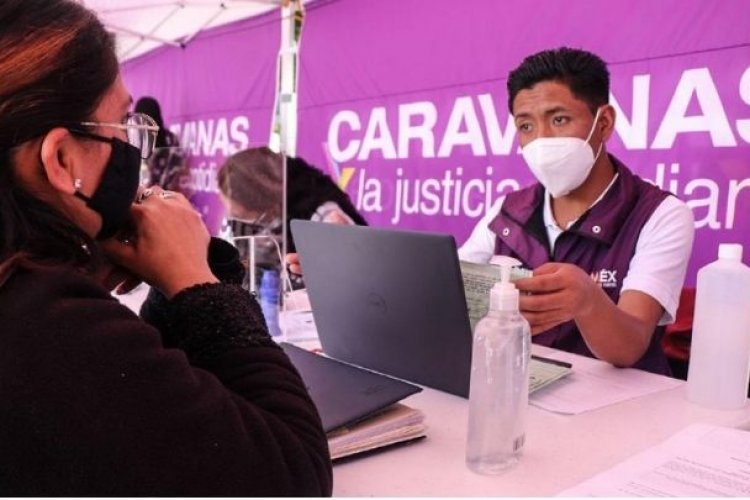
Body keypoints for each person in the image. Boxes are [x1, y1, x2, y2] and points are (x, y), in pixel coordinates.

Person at [0, 0, 332, 495]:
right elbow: (291, 474)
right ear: (61, 157)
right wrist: (194, 282)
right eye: (123, 125)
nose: (134, 147)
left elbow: (154, 410)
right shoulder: (42, 322)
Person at [458, 47, 694, 375]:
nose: (541, 140)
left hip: (620, 409)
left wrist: (587, 300)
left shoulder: (661, 214)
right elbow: (449, 291)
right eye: (526, 126)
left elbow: (630, 346)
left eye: (559, 119)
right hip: (519, 385)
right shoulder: (508, 212)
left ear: (604, 123)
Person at [218, 146, 367, 288]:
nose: (234, 221)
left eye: (241, 216)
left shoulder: (327, 220)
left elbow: (355, 279)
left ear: (268, 207)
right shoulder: (274, 217)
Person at [134, 95, 189, 194]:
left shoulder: (170, 142)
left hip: (162, 199)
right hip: (158, 199)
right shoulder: (132, 141)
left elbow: (175, 176)